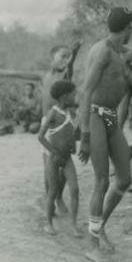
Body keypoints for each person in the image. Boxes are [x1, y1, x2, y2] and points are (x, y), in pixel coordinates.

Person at [0, 41, 82, 210]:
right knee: (49, 167)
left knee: (64, 163)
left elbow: (70, 67)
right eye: (63, 56)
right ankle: (51, 201)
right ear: (51, 58)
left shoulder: (65, 77)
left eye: (68, 57)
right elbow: (14, 73)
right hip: (48, 125)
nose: (66, 60)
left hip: (64, 125)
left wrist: (74, 55)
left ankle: (59, 197)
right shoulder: (43, 76)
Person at [78, 6, 132, 262]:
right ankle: (91, 245)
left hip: (111, 117)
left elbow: (128, 91)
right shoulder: (102, 52)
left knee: (123, 178)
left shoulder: (125, 54)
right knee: (101, 180)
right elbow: (87, 92)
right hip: (95, 115)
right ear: (127, 28)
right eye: (131, 27)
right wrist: (86, 133)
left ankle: (99, 226)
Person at [38, 80, 81, 237]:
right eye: (72, 95)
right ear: (64, 97)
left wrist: (74, 145)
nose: (75, 97)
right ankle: (49, 224)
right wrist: (52, 151)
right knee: (53, 191)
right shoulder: (53, 113)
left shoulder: (72, 113)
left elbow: (74, 133)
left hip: (67, 158)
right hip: (54, 159)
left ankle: (74, 225)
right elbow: (40, 137)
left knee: (75, 189)